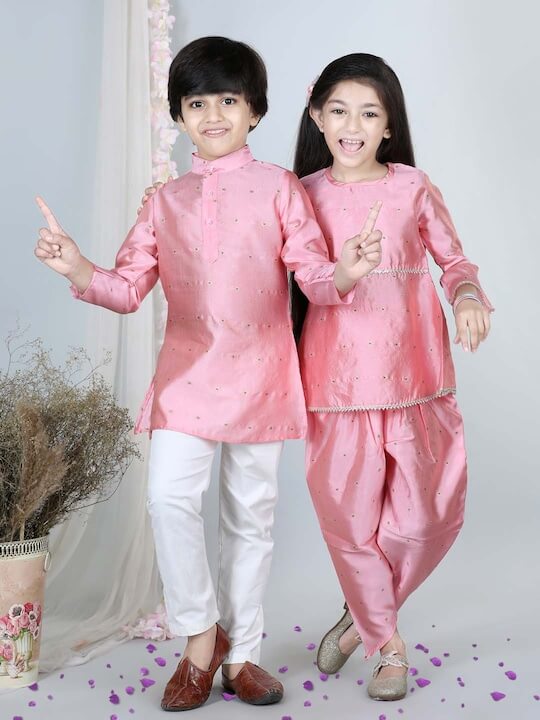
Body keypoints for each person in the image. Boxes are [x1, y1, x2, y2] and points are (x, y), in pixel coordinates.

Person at [34, 37, 381, 712]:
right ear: (178, 116)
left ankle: (242, 654)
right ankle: (201, 636)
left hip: (262, 374)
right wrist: (76, 265)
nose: (213, 115)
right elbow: (126, 288)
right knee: (168, 499)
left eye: (228, 100)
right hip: (187, 376)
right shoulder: (165, 201)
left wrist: (346, 272)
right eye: (196, 103)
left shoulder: (280, 187)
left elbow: (313, 275)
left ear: (255, 111)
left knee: (251, 517)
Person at [291, 53, 493, 701]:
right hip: (335, 387)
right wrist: (344, 272)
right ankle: (389, 648)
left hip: (416, 381)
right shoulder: (300, 195)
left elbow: (454, 261)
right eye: (339, 110)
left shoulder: (412, 187)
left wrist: (467, 298)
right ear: (317, 115)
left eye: (369, 113)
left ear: (388, 125)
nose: (352, 126)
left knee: (426, 519)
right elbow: (299, 277)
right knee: (351, 527)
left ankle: (359, 618)